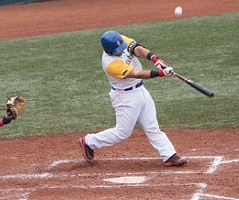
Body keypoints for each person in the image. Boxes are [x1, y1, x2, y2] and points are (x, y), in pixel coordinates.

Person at [79, 31, 187, 167]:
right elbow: (136, 73)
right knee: (122, 132)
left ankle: (169, 155)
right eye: (117, 51)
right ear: (109, 51)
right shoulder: (110, 64)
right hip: (125, 97)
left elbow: (137, 48)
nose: (121, 51)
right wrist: (160, 73)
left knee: (152, 126)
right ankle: (89, 142)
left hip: (141, 91)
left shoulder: (119, 40)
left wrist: (155, 59)